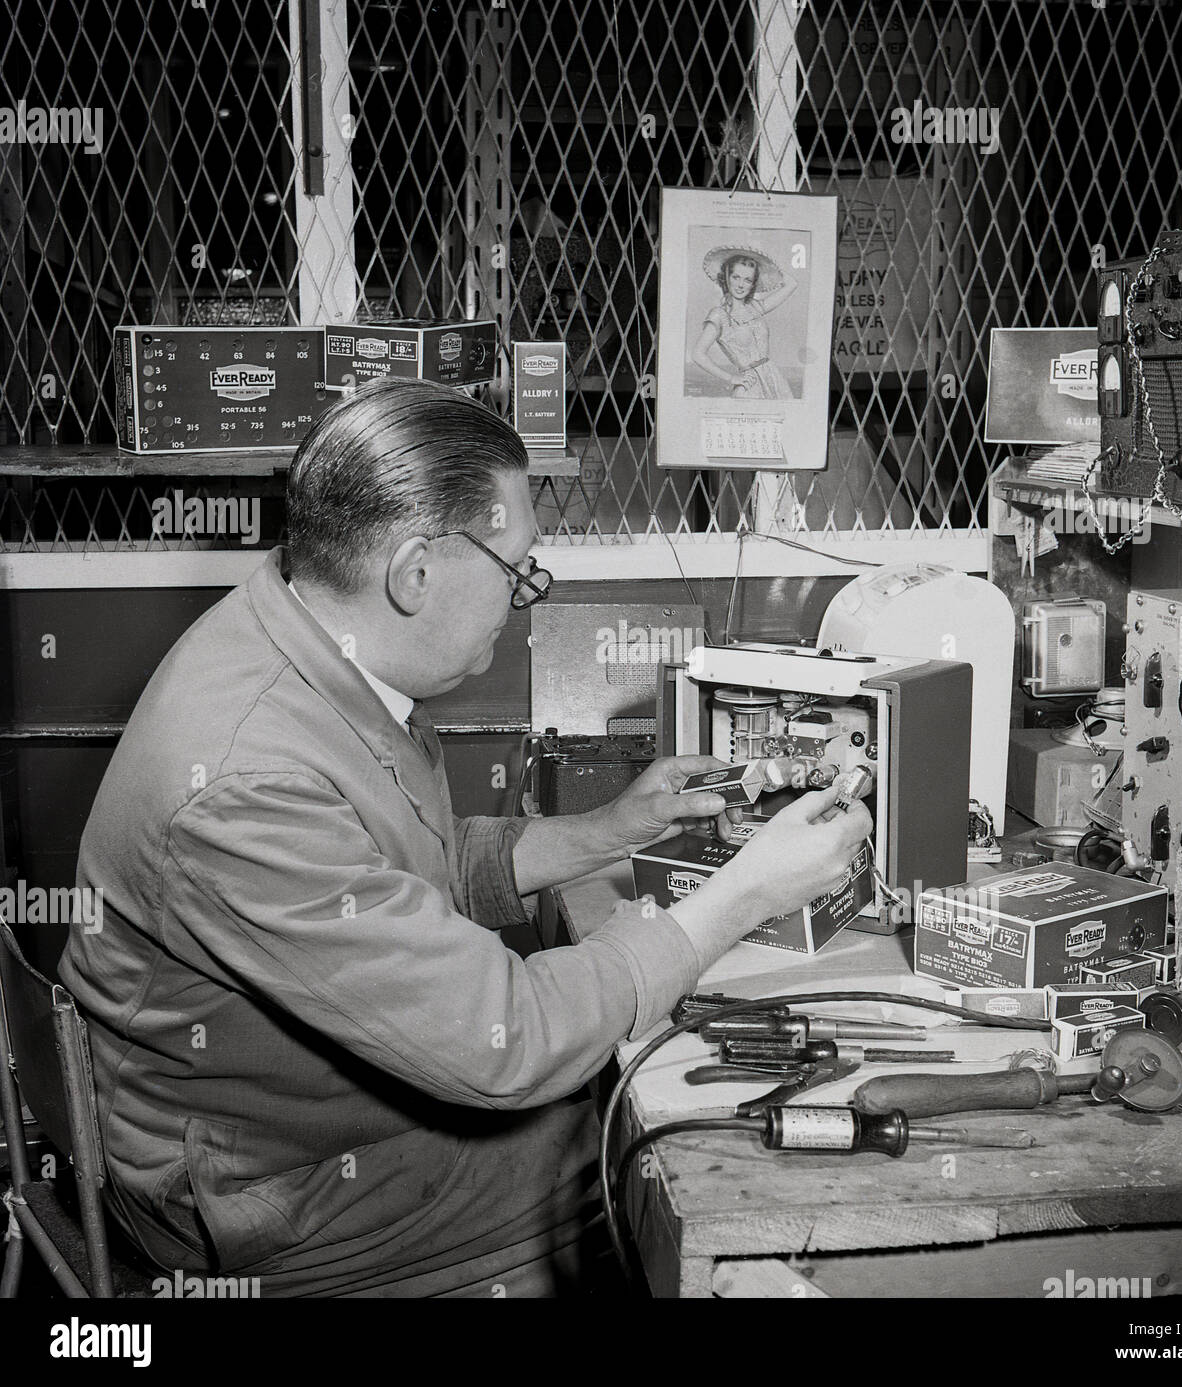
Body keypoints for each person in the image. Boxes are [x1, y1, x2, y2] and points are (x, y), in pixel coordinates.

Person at [58, 379, 870, 1296]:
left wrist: (612, 831)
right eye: (517, 567)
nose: (523, 597)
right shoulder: (248, 781)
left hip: (294, 1119)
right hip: (257, 1191)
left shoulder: (296, 638)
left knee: (620, 1100)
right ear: (414, 572)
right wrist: (746, 893)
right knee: (657, 1158)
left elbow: (405, 865)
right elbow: (507, 1044)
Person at [691, 246, 799, 398]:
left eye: (748, 279)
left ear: (753, 283)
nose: (741, 285)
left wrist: (767, 264)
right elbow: (697, 354)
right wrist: (731, 378)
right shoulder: (719, 315)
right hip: (750, 385)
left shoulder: (756, 307)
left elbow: (792, 283)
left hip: (775, 380)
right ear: (726, 277)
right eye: (736, 277)